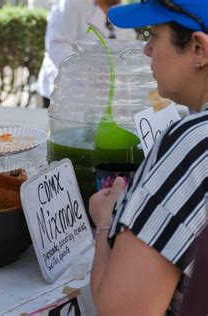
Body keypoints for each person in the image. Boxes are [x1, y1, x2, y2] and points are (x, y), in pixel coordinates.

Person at [88, 0, 207, 315]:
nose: (147, 50)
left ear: (199, 49)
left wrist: (106, 220)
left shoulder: (192, 145)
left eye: (154, 35)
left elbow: (121, 309)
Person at [36, 0, 136, 108]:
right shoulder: (71, 4)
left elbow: (130, 48)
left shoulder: (124, 9)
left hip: (106, 97)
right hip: (66, 94)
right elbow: (57, 47)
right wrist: (90, 73)